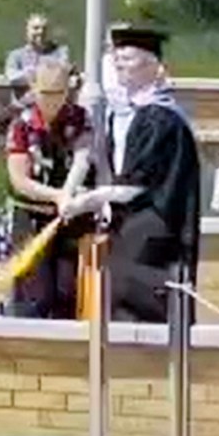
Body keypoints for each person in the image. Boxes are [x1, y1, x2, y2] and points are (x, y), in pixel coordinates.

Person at [62, 27, 200, 323]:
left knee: (140, 309)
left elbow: (136, 186)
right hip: (132, 228)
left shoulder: (161, 120)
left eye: (127, 58)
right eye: (117, 58)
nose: (118, 64)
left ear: (152, 66)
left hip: (156, 232)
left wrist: (88, 201)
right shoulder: (127, 116)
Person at [4, 60, 93, 319]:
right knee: (35, 295)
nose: (52, 101)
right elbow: (19, 179)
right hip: (31, 217)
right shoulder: (21, 124)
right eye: (46, 93)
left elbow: (82, 157)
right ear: (34, 88)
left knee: (68, 292)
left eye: (59, 93)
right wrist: (56, 196)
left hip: (69, 218)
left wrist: (68, 192)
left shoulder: (79, 117)